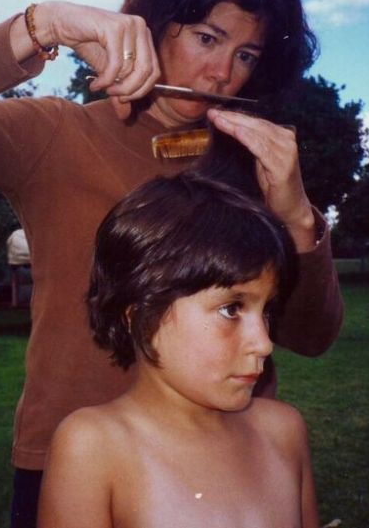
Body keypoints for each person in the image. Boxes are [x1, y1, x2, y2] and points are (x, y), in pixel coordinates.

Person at [0, 0, 342, 527]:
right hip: (71, 458)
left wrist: (296, 217)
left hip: (233, 453)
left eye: (245, 55)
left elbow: (310, 336)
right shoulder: (59, 135)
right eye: (206, 37)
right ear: (154, 22)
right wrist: (44, 24)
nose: (221, 73)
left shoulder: (256, 163)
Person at [38, 170, 318, 528]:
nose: (263, 343)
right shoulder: (94, 448)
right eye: (231, 309)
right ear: (140, 315)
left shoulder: (283, 431)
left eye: (267, 310)